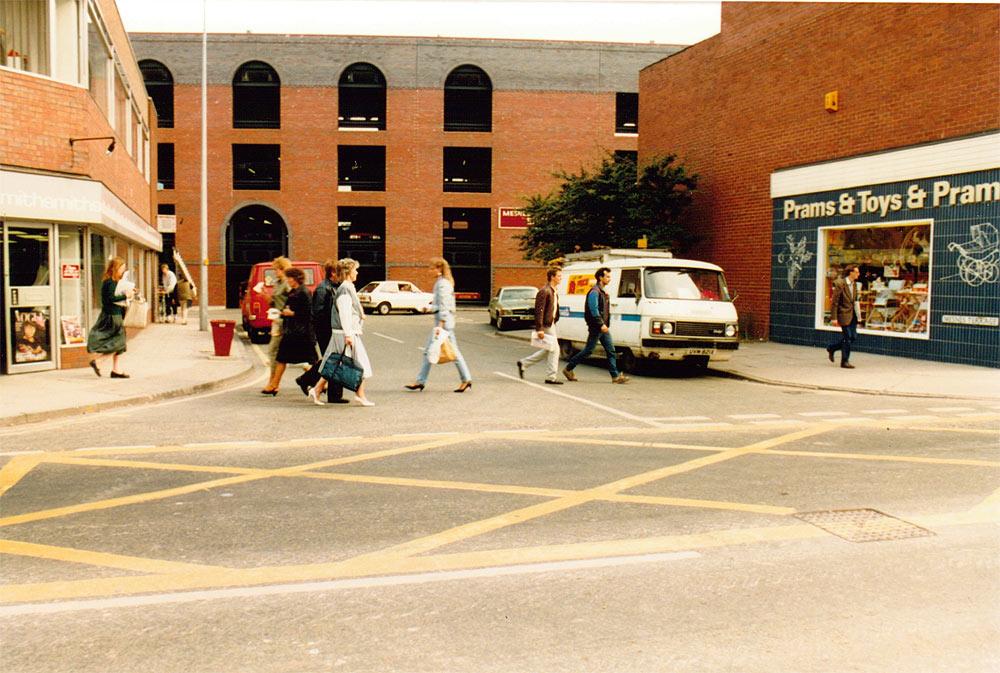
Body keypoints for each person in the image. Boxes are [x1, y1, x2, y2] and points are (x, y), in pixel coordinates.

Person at [312, 258, 375, 406]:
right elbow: (344, 314)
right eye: (355, 270)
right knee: (361, 364)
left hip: (344, 333)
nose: (357, 272)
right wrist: (348, 335)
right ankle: (360, 395)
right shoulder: (345, 289)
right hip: (345, 333)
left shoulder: (347, 287)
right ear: (348, 272)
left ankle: (316, 389)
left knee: (334, 364)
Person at [405, 257, 472, 393]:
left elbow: (444, 306)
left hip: (444, 324)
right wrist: (429, 308)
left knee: (444, 352)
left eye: (431, 268)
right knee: (433, 351)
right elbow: (440, 304)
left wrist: (440, 325)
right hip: (444, 323)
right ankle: (422, 381)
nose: (429, 271)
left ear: (439, 269)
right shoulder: (442, 282)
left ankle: (465, 379)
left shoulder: (442, 284)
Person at [562, 266, 629, 383]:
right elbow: (594, 310)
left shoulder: (602, 292)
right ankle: (568, 368)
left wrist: (604, 325)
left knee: (611, 350)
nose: (609, 279)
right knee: (588, 350)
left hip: (603, 327)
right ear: (600, 277)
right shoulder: (594, 292)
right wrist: (600, 324)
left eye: (609, 277)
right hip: (597, 327)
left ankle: (615, 376)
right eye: (607, 276)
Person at [294, 259, 347, 403]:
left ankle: (333, 394)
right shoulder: (323, 289)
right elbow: (317, 313)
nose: (343, 275)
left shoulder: (334, 287)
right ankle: (307, 380)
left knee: (333, 360)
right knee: (332, 360)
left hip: (331, 330)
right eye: (340, 272)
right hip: (326, 331)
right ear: (333, 273)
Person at [261, 267, 319, 395]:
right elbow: (287, 308)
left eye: (289, 278)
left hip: (301, 333)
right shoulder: (294, 291)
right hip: (292, 331)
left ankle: (319, 384)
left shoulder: (304, 292)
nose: (288, 280)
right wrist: (281, 314)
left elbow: (308, 313)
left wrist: (292, 313)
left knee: (312, 360)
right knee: (282, 358)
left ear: (296, 279)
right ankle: (274, 384)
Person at [87, 256, 137, 378]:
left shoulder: (111, 282)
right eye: (122, 269)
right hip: (113, 316)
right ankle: (98, 362)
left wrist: (129, 292)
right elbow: (111, 299)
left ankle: (116, 370)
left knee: (119, 343)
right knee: (119, 343)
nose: (123, 271)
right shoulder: (111, 282)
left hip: (112, 314)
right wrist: (126, 296)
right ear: (115, 268)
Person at [516, 267, 563, 384]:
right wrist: (539, 328)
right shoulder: (545, 291)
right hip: (546, 325)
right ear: (552, 277)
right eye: (559, 276)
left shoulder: (554, 291)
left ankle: (524, 363)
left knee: (549, 348)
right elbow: (539, 311)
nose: (561, 278)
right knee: (555, 350)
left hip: (551, 323)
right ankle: (551, 377)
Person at [260, 256, 292, 394]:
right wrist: (265, 295)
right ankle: (317, 380)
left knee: (273, 351)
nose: (274, 272)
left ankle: (273, 382)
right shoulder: (277, 283)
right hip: (277, 320)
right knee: (293, 353)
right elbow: (274, 302)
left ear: (283, 269)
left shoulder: (287, 284)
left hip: (284, 322)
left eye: (276, 269)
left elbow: (294, 299)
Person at [826, 264, 861, 369]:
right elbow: (835, 302)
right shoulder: (840, 284)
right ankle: (844, 361)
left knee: (853, 337)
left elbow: (854, 300)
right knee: (847, 337)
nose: (858, 274)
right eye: (857, 272)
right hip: (843, 314)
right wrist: (834, 318)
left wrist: (858, 315)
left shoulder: (855, 284)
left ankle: (832, 348)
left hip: (853, 314)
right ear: (851, 272)